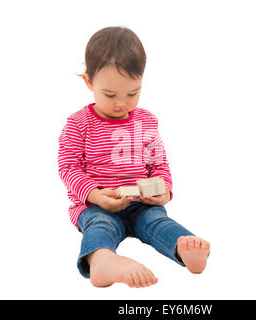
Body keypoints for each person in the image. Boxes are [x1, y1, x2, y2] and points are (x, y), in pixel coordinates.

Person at [58, 26, 210, 288]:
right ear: (89, 82)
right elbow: (68, 167)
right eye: (110, 95)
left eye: (132, 93)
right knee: (99, 225)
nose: (122, 103)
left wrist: (163, 192)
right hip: (96, 204)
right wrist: (94, 195)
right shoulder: (79, 124)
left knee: (157, 221)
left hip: (141, 202)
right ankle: (102, 260)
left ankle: (183, 248)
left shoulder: (146, 121)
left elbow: (158, 162)